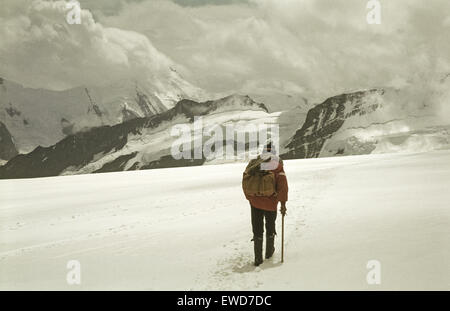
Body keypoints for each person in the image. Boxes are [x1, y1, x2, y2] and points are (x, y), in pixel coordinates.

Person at [243, 142, 288, 266]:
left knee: (257, 229)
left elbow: (246, 182)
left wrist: (251, 198)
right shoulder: (277, 165)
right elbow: (282, 186)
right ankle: (269, 253)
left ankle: (258, 258)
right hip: (270, 202)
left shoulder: (253, 164)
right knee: (270, 226)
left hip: (255, 202)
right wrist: (283, 204)